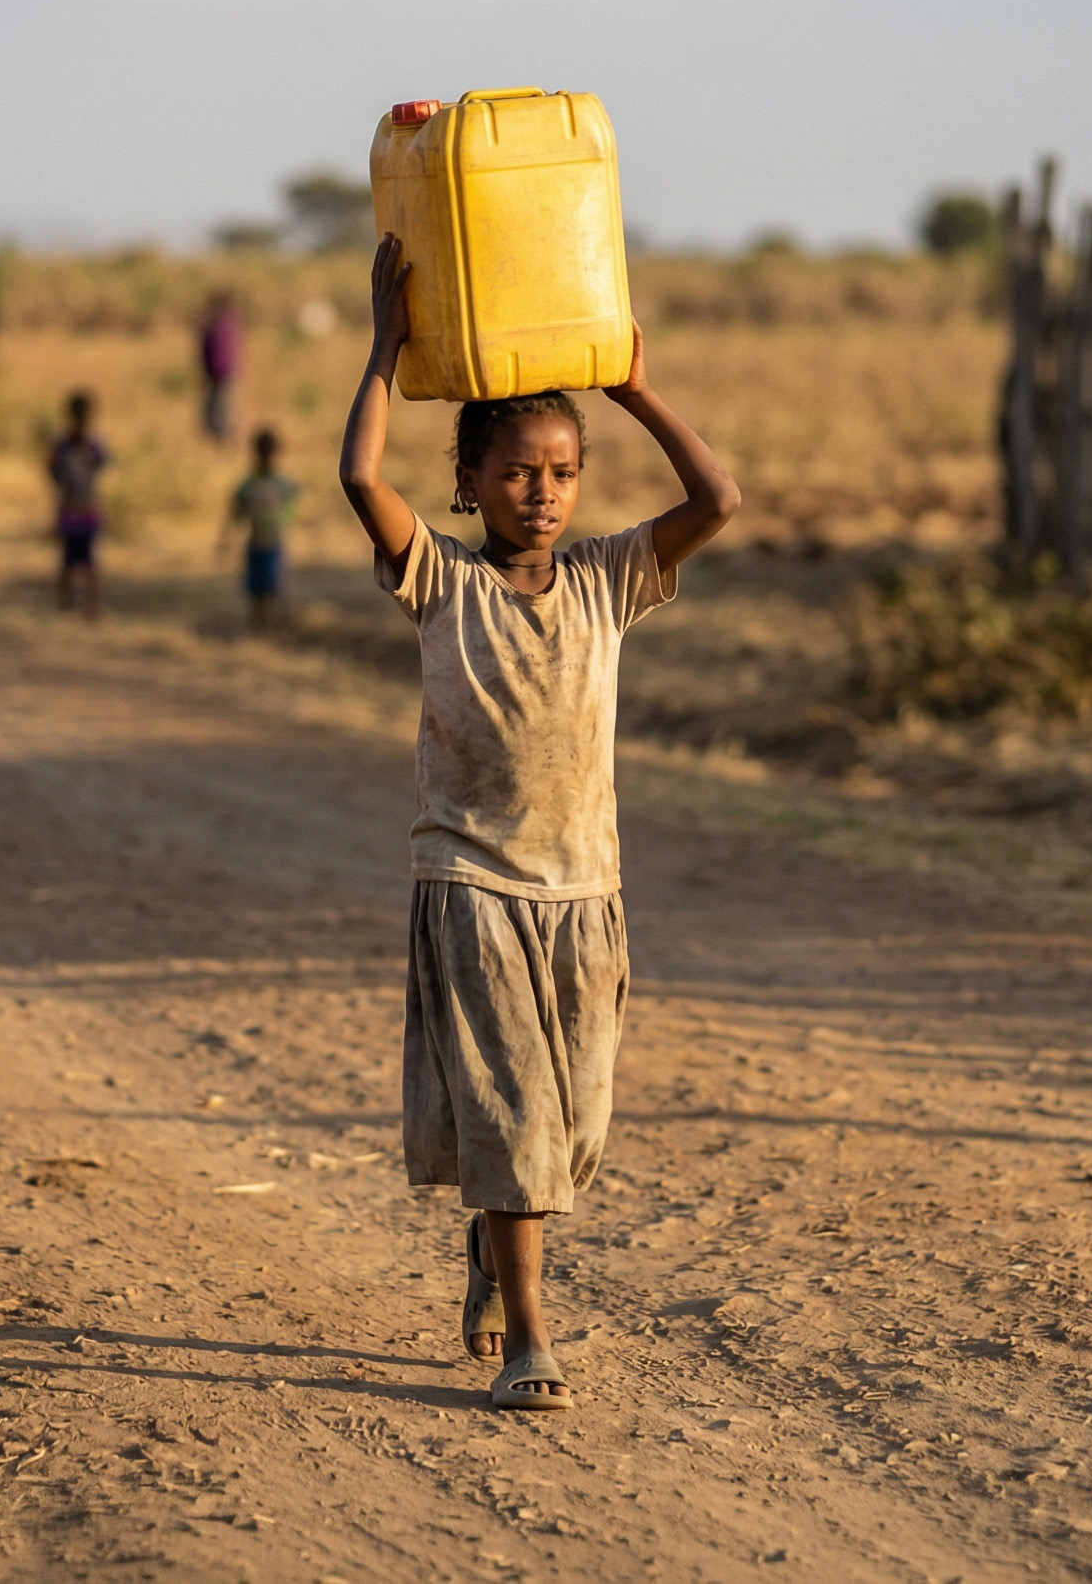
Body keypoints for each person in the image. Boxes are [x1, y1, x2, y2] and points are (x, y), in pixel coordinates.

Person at [335, 235, 739, 1413]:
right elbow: (360, 479)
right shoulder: (441, 582)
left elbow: (716, 500)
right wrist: (382, 347)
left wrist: (632, 385)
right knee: (514, 1119)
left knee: (570, 1132)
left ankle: (487, 1245)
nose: (543, 491)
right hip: (471, 884)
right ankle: (529, 1338)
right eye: (516, 471)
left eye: (563, 470)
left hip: (585, 894)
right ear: (471, 480)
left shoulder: (611, 578)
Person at [217, 426, 299, 634]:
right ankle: (261, 629)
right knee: (259, 591)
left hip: (269, 545)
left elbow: (235, 514)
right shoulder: (266, 485)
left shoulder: (267, 485)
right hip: (260, 544)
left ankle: (266, 628)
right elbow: (235, 513)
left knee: (269, 590)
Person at [47, 391, 110, 620]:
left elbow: (102, 464)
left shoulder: (93, 442)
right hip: (74, 507)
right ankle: (68, 606)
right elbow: (53, 472)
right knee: (70, 561)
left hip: (86, 508)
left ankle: (90, 607)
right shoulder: (64, 443)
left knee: (88, 562)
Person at [196, 290, 243, 446]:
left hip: (218, 373)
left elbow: (208, 351)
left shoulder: (216, 325)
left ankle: (223, 441)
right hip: (227, 373)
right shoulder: (231, 323)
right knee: (223, 410)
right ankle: (223, 440)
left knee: (218, 411)